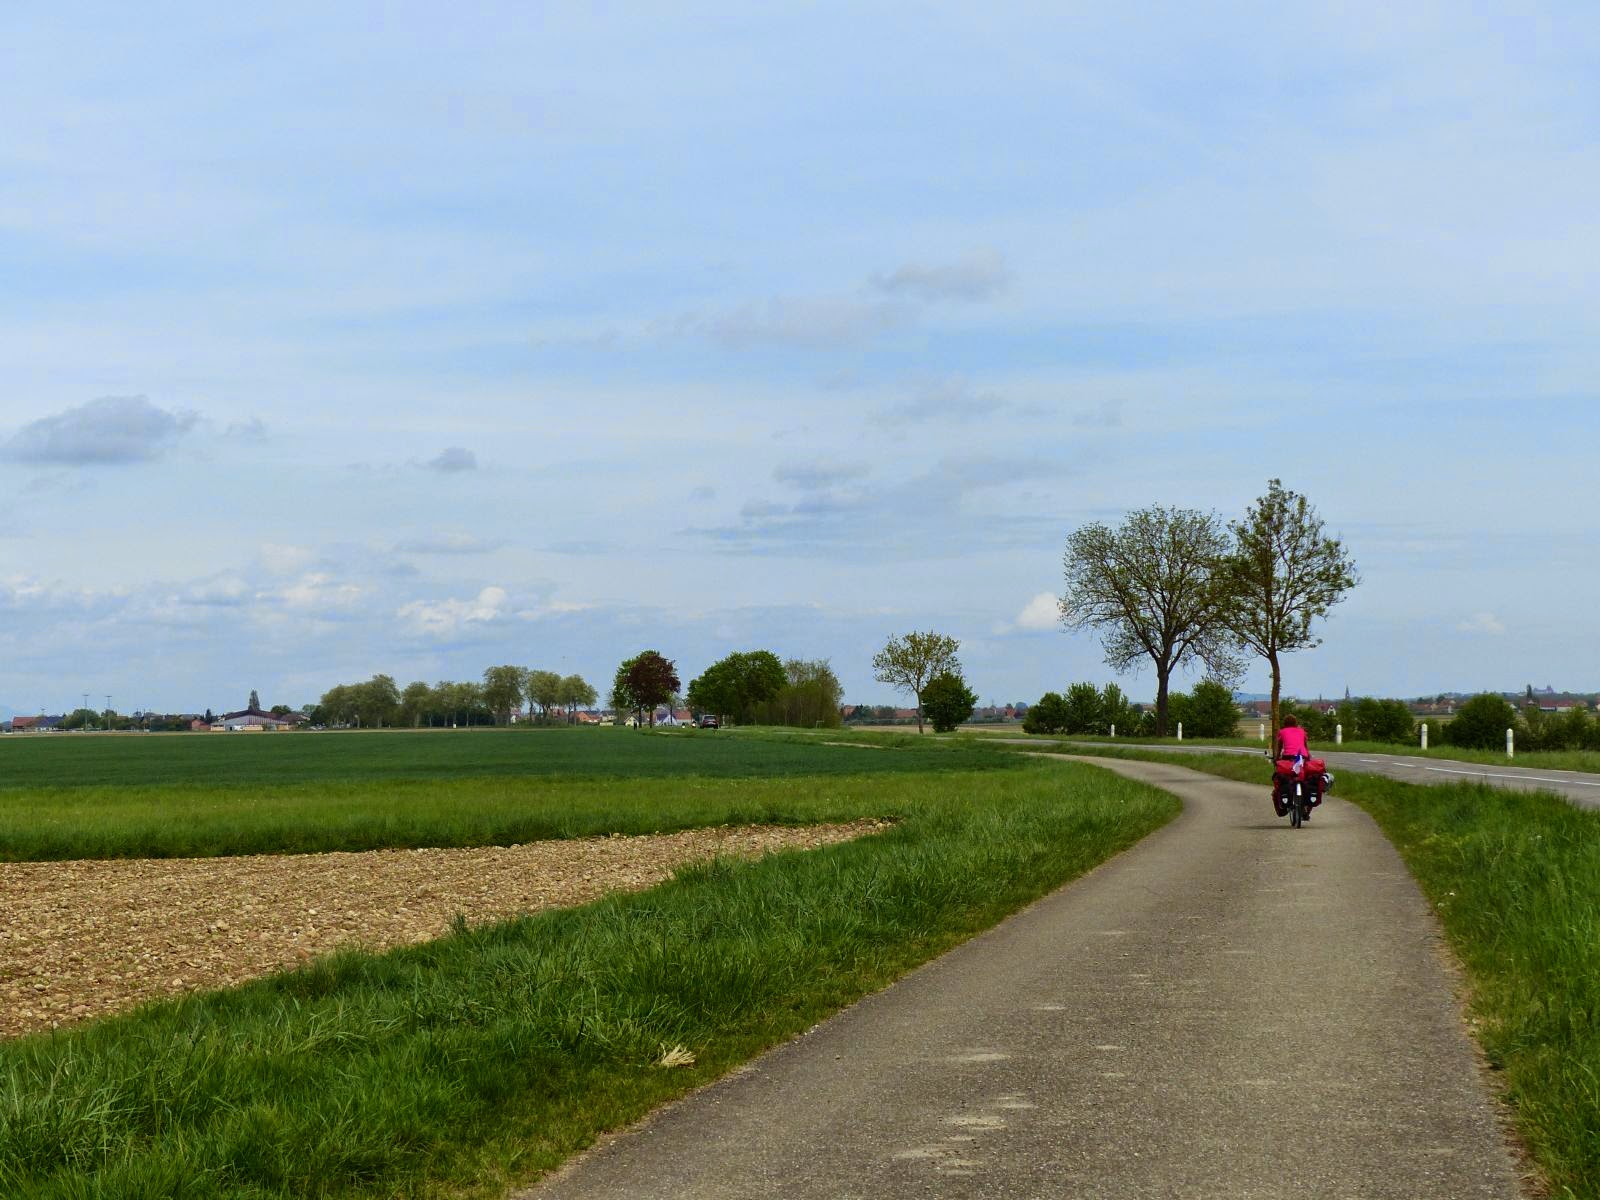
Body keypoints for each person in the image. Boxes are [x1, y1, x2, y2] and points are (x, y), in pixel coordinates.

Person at [1272, 715, 1319, 816]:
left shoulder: (1282, 731)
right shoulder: (1302, 731)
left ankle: (1284, 807)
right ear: (1295, 723)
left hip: (1288, 758)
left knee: (1285, 778)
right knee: (1307, 780)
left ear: (1285, 723)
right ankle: (1307, 808)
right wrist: (1308, 757)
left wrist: (1276, 758)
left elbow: (1280, 747)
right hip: (1302, 757)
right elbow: (1305, 746)